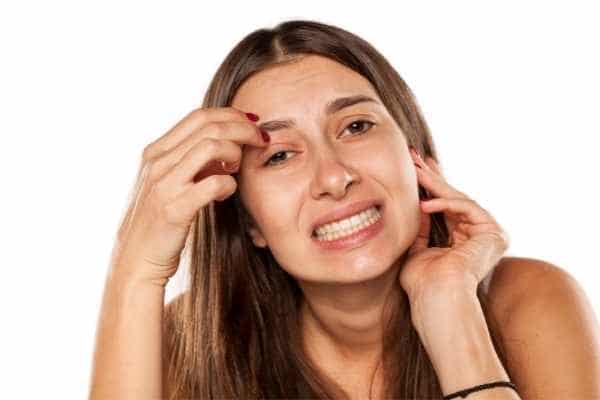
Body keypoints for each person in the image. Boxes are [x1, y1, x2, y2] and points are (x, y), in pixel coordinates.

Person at [88, 19, 600, 399]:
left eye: (356, 127)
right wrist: (137, 270)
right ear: (249, 223)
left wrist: (448, 307)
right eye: (281, 154)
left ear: (418, 157)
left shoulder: (528, 301)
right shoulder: (195, 342)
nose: (334, 178)